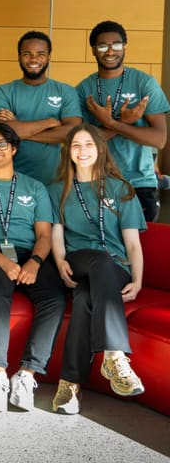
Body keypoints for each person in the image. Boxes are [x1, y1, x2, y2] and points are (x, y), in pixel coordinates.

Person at [0, 123, 67, 412]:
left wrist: (34, 262)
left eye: (2, 144)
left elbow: (44, 235)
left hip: (30, 254)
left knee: (54, 299)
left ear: (14, 148)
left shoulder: (35, 187)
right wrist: (2, 261)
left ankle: (27, 375)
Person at [48, 124, 146, 415]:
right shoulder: (58, 189)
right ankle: (114, 354)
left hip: (114, 266)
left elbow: (132, 244)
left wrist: (138, 280)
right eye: (76, 145)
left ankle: (69, 385)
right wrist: (60, 260)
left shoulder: (121, 188)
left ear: (100, 149)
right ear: (68, 152)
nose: (83, 151)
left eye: (89, 144)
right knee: (97, 263)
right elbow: (56, 233)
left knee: (84, 299)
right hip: (79, 260)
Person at [75, 20, 169, 221]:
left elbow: (159, 139)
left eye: (116, 44)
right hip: (97, 181)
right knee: (103, 248)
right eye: (102, 46)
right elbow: (83, 144)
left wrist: (113, 124)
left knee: (140, 248)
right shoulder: (84, 89)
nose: (110, 51)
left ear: (124, 46)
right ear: (93, 50)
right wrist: (123, 123)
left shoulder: (144, 83)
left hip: (139, 183)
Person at [0, 31, 81, 185]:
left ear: (48, 57)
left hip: (54, 179)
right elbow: (1, 131)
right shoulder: (3, 91)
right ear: (19, 56)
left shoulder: (65, 91)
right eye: (27, 54)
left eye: (40, 54)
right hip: (10, 179)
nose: (34, 59)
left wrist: (18, 129)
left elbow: (72, 133)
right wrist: (49, 122)